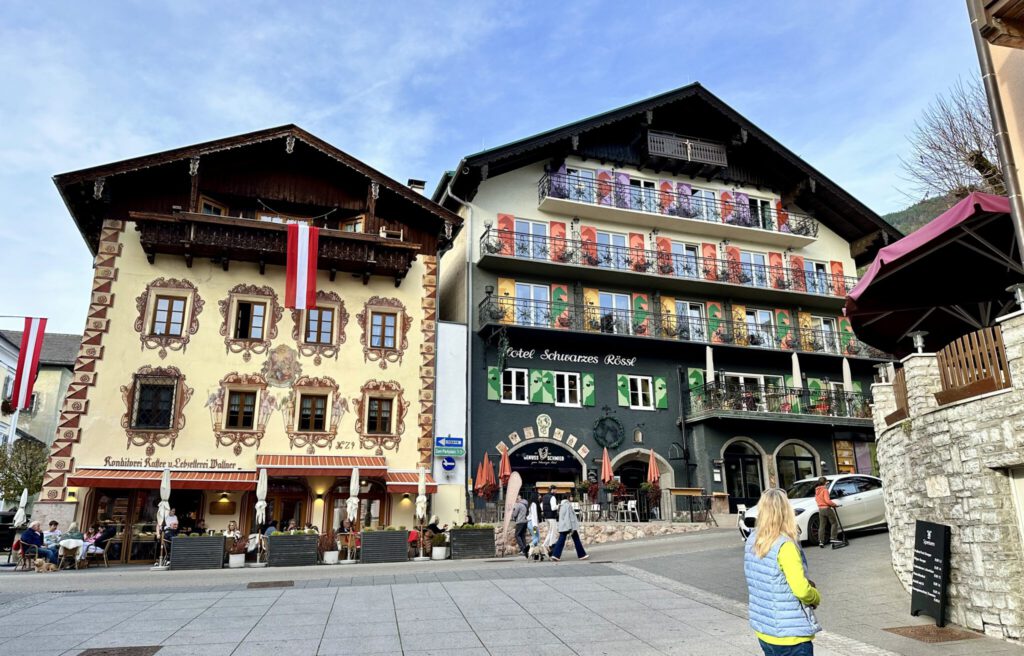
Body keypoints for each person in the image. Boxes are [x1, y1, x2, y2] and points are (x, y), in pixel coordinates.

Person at [744, 488, 821, 655]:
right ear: (786, 511)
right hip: (791, 635)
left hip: (765, 630)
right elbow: (801, 589)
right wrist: (815, 595)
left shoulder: (753, 540)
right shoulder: (785, 545)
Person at [550, 497, 588, 562]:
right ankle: (582, 555)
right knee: (576, 540)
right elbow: (568, 517)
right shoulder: (568, 505)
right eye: (570, 496)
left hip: (563, 526)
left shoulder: (561, 505)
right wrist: (570, 528)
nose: (572, 498)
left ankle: (555, 555)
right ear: (568, 497)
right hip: (570, 526)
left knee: (561, 540)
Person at [814, 477, 842, 548]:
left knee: (822, 525)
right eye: (826, 482)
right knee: (834, 523)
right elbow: (827, 501)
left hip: (820, 509)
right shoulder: (825, 490)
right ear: (825, 482)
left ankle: (821, 541)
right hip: (826, 508)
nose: (827, 483)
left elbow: (817, 500)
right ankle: (833, 538)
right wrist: (834, 505)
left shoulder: (817, 490)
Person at [510, 493, 529, 558]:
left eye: (516, 499)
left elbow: (515, 514)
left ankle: (523, 549)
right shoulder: (525, 504)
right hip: (525, 521)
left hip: (520, 522)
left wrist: (512, 511)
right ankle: (525, 549)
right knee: (522, 535)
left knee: (517, 535)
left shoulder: (518, 505)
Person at [541, 485, 559, 551]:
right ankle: (551, 546)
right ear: (552, 490)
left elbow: (542, 506)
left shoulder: (544, 497)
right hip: (551, 517)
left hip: (546, 517)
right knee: (553, 532)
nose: (556, 491)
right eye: (556, 489)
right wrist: (559, 506)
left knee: (550, 532)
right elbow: (553, 507)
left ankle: (544, 545)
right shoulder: (552, 497)